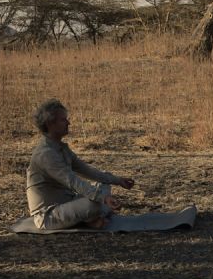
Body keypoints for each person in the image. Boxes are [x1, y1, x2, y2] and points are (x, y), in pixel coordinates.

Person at [25, 99, 135, 230]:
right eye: (63, 120)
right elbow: (73, 181)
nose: (68, 123)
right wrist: (103, 198)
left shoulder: (59, 147)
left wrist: (118, 180)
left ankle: (90, 218)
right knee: (95, 204)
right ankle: (91, 217)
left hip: (67, 203)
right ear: (50, 124)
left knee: (103, 186)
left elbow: (87, 171)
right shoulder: (45, 154)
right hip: (48, 215)